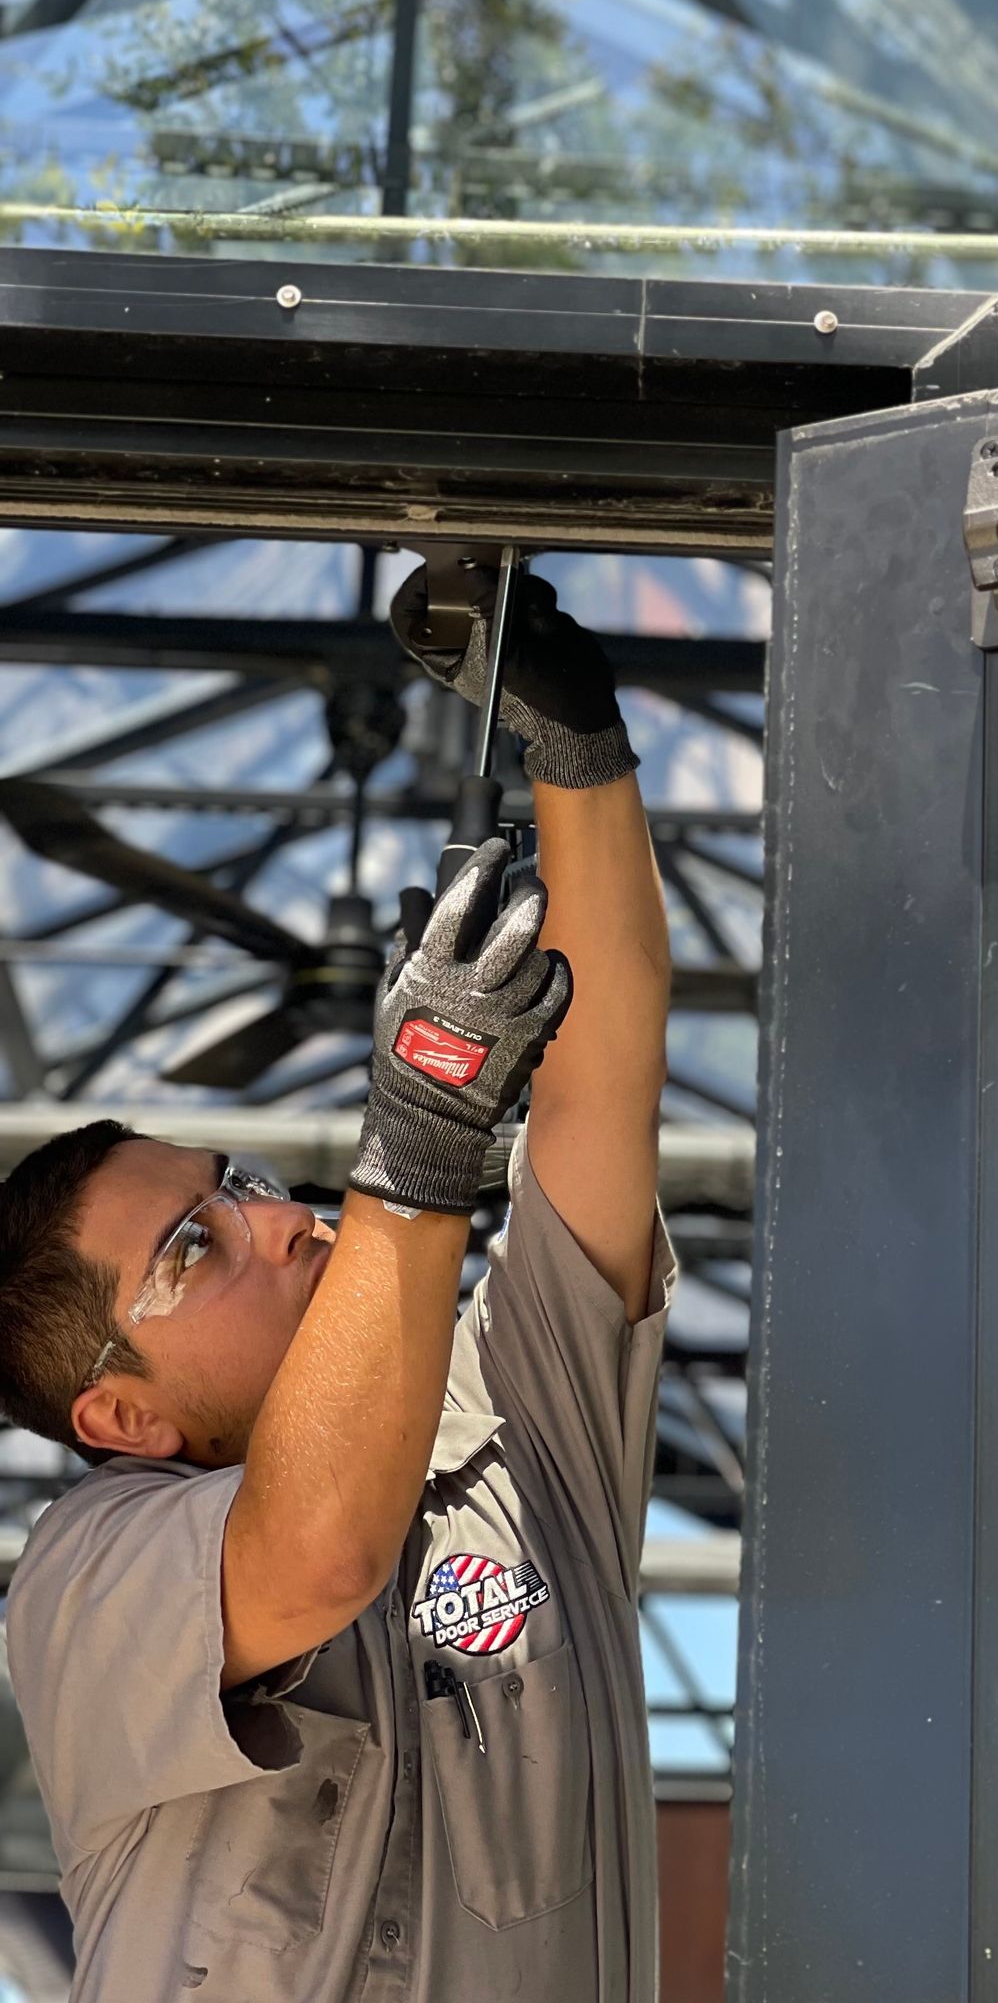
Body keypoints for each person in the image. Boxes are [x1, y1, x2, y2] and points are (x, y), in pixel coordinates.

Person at [0, 565, 676, 2002]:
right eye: (198, 1246)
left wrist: (579, 754)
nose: (285, 1220)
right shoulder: (86, 1577)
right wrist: (423, 1140)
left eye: (240, 1184)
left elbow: (597, 1095)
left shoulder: (520, 1438)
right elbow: (312, 1551)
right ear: (119, 1417)